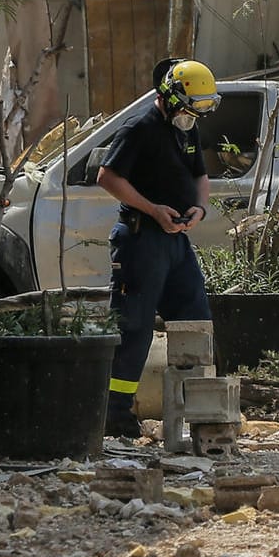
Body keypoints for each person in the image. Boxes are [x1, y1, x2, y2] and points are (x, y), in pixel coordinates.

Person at [97, 58, 221, 436]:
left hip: (176, 243)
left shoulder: (186, 129)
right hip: (141, 240)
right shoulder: (140, 129)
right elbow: (107, 176)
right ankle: (114, 415)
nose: (190, 118)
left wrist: (199, 208)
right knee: (134, 327)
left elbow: (200, 176)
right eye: (186, 110)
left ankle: (199, 412)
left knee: (196, 321)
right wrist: (153, 209)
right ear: (167, 98)